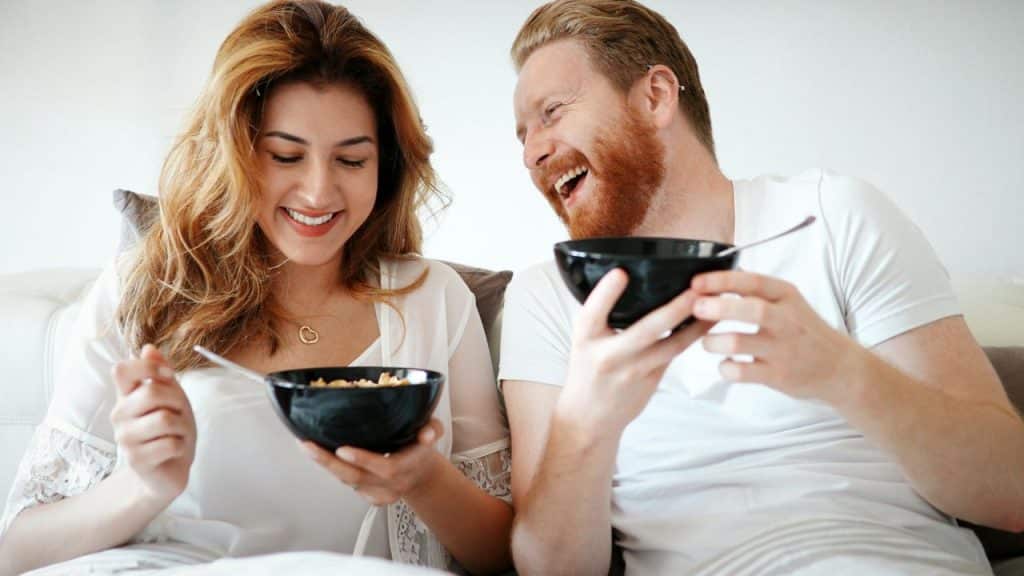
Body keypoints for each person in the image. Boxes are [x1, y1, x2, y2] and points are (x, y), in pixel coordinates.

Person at [499, 1, 1024, 574]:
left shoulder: (834, 215)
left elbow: (1011, 493)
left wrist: (844, 373)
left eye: (552, 112)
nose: (532, 154)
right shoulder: (543, 299)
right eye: (523, 135)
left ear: (655, 96)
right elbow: (549, 569)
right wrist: (584, 424)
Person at [0, 1, 513, 574]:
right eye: (285, 155)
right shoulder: (145, 285)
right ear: (233, 154)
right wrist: (142, 486)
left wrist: (423, 479)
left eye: (351, 160)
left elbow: (504, 557)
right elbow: (18, 548)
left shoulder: (432, 299)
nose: (319, 192)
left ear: (385, 168)